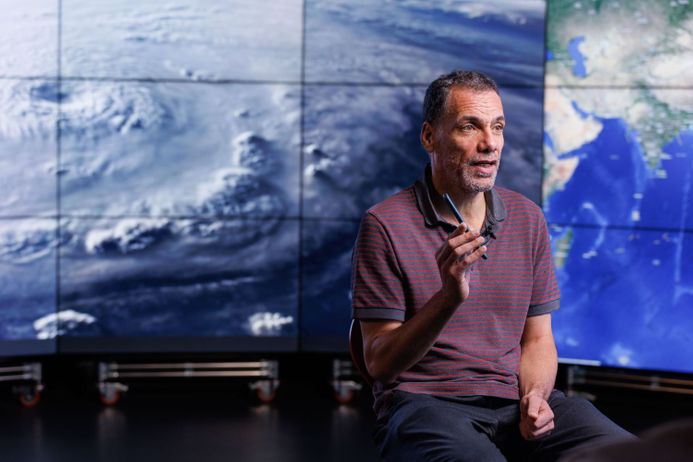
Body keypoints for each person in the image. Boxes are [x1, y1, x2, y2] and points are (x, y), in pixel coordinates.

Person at [350, 70, 634, 461]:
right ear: (429, 137)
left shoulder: (528, 217)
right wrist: (447, 298)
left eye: (497, 127)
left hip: (512, 399)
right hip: (425, 404)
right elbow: (379, 363)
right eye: (470, 126)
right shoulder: (384, 224)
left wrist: (535, 397)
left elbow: (537, 340)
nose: (490, 144)